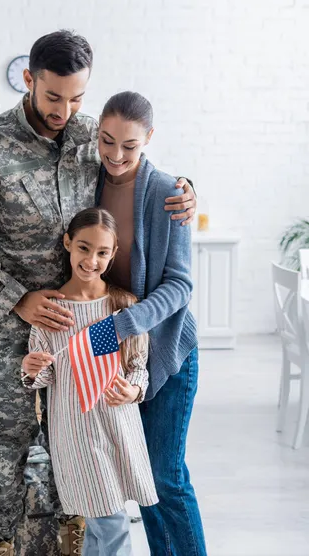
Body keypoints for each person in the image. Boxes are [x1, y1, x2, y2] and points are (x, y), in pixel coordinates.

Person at [0, 30, 197, 556]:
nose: (65, 110)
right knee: (3, 455)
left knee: (71, 457)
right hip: (12, 332)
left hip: (82, 330)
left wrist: (184, 188)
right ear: (29, 80)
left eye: (77, 98)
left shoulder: (86, 136)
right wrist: (15, 296)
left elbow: (132, 170)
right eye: (54, 96)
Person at [93, 91, 207, 555]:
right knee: (139, 478)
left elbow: (180, 285)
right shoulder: (87, 180)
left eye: (130, 146)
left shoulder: (168, 193)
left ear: (149, 139)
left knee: (165, 475)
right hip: (117, 357)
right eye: (106, 141)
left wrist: (122, 326)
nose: (117, 156)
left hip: (167, 349)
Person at [22, 207, 158, 556]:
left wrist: (133, 390)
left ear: (113, 254)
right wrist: (32, 367)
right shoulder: (50, 310)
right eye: (84, 248)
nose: (91, 260)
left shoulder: (123, 306)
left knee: (101, 526)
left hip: (117, 425)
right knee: (109, 521)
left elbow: (138, 365)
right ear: (68, 243)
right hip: (76, 432)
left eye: (101, 252)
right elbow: (46, 375)